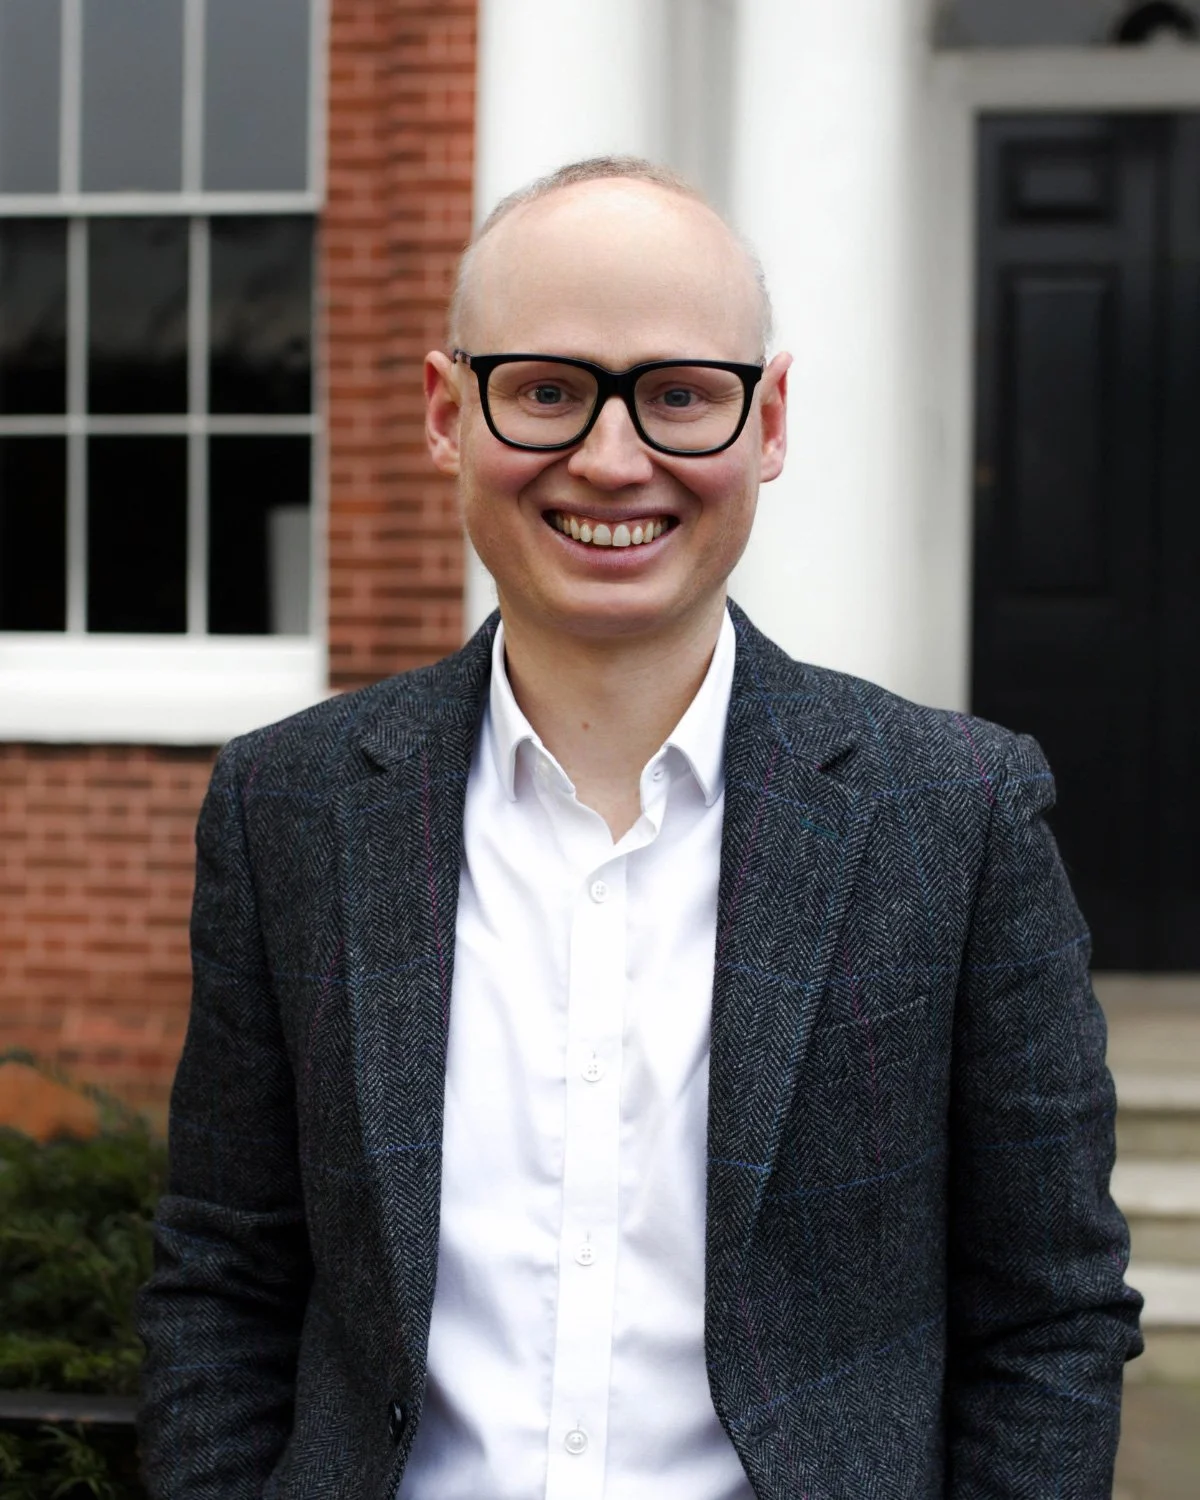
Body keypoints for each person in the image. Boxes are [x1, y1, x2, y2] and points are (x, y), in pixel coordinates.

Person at [136, 157, 1143, 1499]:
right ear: (447, 411)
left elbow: (1050, 1318)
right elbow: (224, 1275)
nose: (613, 462)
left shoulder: (957, 813)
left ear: (766, 420)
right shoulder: (291, 805)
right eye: (547, 390)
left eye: (679, 395)